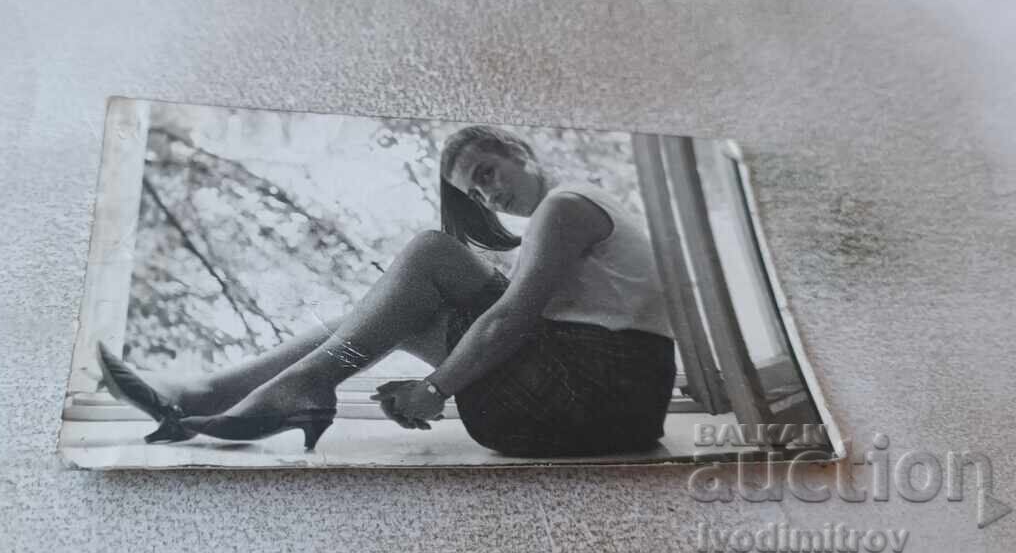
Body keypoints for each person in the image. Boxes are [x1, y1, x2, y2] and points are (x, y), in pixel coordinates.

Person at [98, 125, 677, 456]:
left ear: (520, 154)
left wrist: (433, 388)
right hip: (598, 404)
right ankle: (207, 393)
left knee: (432, 251)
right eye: (474, 193)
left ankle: (295, 389)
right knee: (384, 311)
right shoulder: (568, 210)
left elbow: (511, 321)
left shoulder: (567, 206)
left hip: (599, 400)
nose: (487, 195)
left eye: (487, 175)